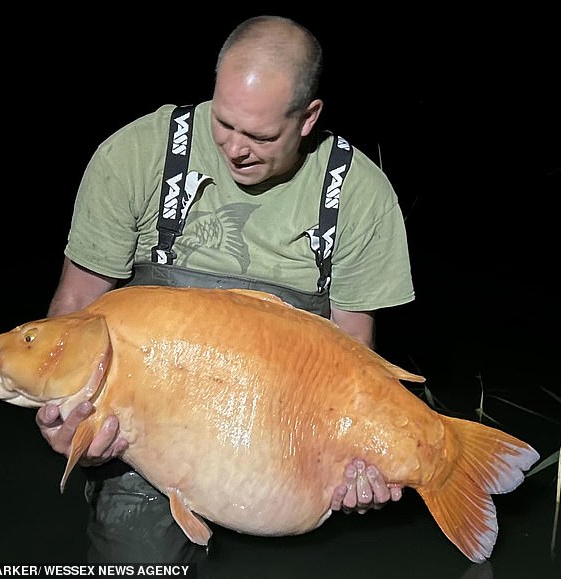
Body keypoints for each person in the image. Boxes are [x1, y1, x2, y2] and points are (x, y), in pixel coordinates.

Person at [36, 15, 415, 565]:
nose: (235, 149)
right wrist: (61, 417)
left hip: (284, 426)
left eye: (261, 136)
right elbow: (75, 308)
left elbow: (352, 358)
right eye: (224, 123)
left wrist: (356, 463)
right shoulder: (137, 155)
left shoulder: (359, 195)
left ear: (309, 118)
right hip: (153, 422)